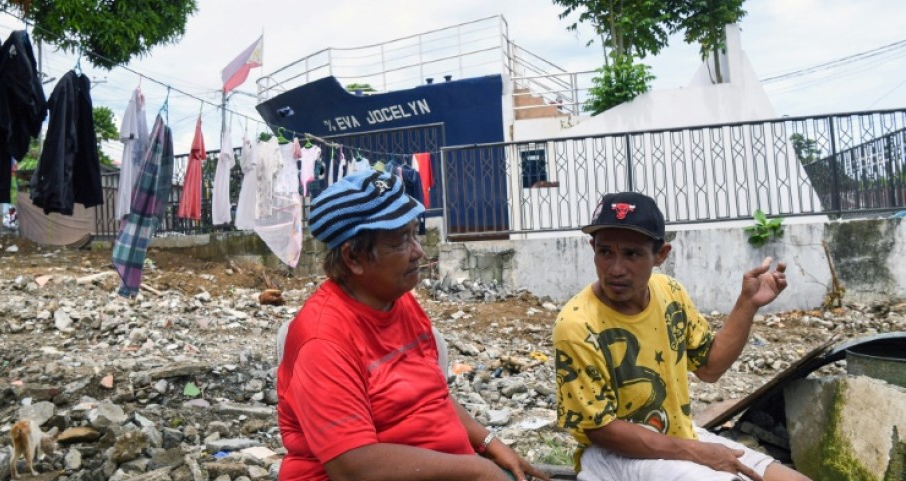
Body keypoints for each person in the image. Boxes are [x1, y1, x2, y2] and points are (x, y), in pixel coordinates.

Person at [277, 170, 550, 481]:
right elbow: (354, 468)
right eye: (400, 241)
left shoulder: (398, 299)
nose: (418, 251)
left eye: (414, 234)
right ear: (353, 257)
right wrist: (477, 470)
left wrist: (490, 444)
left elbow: (432, 393)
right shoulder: (323, 340)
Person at [554, 192, 812, 481]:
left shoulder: (670, 293)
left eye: (632, 254)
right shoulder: (576, 324)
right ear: (593, 248)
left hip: (676, 436)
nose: (615, 269)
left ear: (661, 255)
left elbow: (709, 368)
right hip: (614, 455)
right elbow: (599, 429)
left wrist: (747, 303)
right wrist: (698, 452)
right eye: (605, 252)